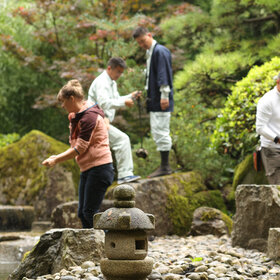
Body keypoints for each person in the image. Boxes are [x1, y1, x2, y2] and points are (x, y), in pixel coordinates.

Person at [42, 79, 114, 228]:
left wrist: (56, 159)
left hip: (100, 168)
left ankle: (111, 243)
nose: (62, 106)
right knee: (82, 213)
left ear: (72, 99)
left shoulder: (89, 117)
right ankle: (94, 247)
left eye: (63, 102)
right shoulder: (79, 116)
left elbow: (79, 148)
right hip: (88, 169)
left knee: (89, 212)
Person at [88, 57, 141, 184]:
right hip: (95, 121)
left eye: (121, 72)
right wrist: (124, 102)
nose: (119, 75)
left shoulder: (112, 82)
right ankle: (124, 175)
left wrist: (130, 96)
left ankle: (122, 175)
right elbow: (104, 103)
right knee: (122, 140)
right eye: (118, 71)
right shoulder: (102, 82)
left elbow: (116, 98)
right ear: (109, 68)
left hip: (101, 121)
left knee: (102, 153)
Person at [133, 26, 174, 178]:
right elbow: (151, 76)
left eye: (143, 41)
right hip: (154, 98)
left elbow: (164, 74)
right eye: (139, 43)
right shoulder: (150, 52)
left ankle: (165, 166)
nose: (142, 45)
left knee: (161, 130)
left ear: (149, 35)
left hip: (161, 98)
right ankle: (164, 165)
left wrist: (164, 95)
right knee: (157, 130)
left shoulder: (159, 51)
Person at [256, 72, 280, 184]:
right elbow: (260, 128)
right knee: (277, 187)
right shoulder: (267, 100)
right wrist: (277, 139)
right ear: (278, 82)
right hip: (272, 149)